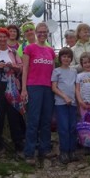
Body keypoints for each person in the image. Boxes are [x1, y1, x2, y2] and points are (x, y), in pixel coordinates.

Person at [20, 22, 56, 164]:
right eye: (39, 32)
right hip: (33, 87)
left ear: (47, 33)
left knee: (46, 120)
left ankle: (45, 149)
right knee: (33, 120)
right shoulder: (29, 48)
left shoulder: (51, 51)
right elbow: (25, 69)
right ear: (36, 33)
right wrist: (24, 89)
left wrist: (55, 88)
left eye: (44, 32)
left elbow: (53, 72)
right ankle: (29, 152)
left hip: (48, 88)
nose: (42, 34)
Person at [51, 47, 78, 165]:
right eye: (64, 56)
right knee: (63, 128)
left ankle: (72, 151)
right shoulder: (56, 71)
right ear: (60, 58)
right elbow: (54, 87)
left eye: (68, 57)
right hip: (61, 103)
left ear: (71, 59)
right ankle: (64, 152)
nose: (66, 59)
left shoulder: (74, 71)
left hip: (73, 103)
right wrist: (64, 97)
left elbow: (76, 87)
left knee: (72, 127)